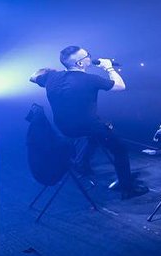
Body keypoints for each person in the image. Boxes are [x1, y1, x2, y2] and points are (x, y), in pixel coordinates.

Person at [30, 45, 148, 199]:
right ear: (80, 63)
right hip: (87, 126)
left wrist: (52, 72)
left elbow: (32, 77)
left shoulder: (52, 78)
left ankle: (82, 164)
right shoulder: (90, 79)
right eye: (87, 56)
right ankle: (127, 188)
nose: (90, 58)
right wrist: (109, 68)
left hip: (63, 128)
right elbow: (120, 86)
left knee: (97, 132)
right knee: (120, 148)